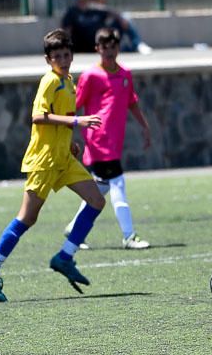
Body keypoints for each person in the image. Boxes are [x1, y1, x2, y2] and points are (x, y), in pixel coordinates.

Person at [0, 29, 106, 302]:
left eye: (66, 55)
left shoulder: (69, 81)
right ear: (48, 59)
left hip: (63, 158)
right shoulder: (50, 81)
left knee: (96, 200)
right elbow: (37, 116)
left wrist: (69, 142)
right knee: (27, 217)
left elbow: (61, 117)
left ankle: (65, 256)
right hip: (44, 160)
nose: (63, 60)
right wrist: (76, 122)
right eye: (57, 56)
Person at [64, 27, 152, 250]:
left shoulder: (125, 74)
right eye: (104, 48)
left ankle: (75, 229)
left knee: (100, 187)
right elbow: (75, 105)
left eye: (113, 47)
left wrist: (144, 126)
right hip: (98, 139)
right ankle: (129, 235)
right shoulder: (91, 76)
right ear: (97, 49)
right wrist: (67, 133)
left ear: (118, 48)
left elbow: (131, 102)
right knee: (117, 183)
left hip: (115, 141)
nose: (109, 52)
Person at [61, 0, 153, 55]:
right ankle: (127, 49)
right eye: (80, 1)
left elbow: (112, 12)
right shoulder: (71, 13)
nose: (83, 3)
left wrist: (121, 19)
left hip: (105, 42)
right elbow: (66, 32)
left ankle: (138, 44)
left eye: (85, 0)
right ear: (76, 1)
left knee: (125, 16)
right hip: (87, 47)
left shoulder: (94, 9)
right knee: (121, 50)